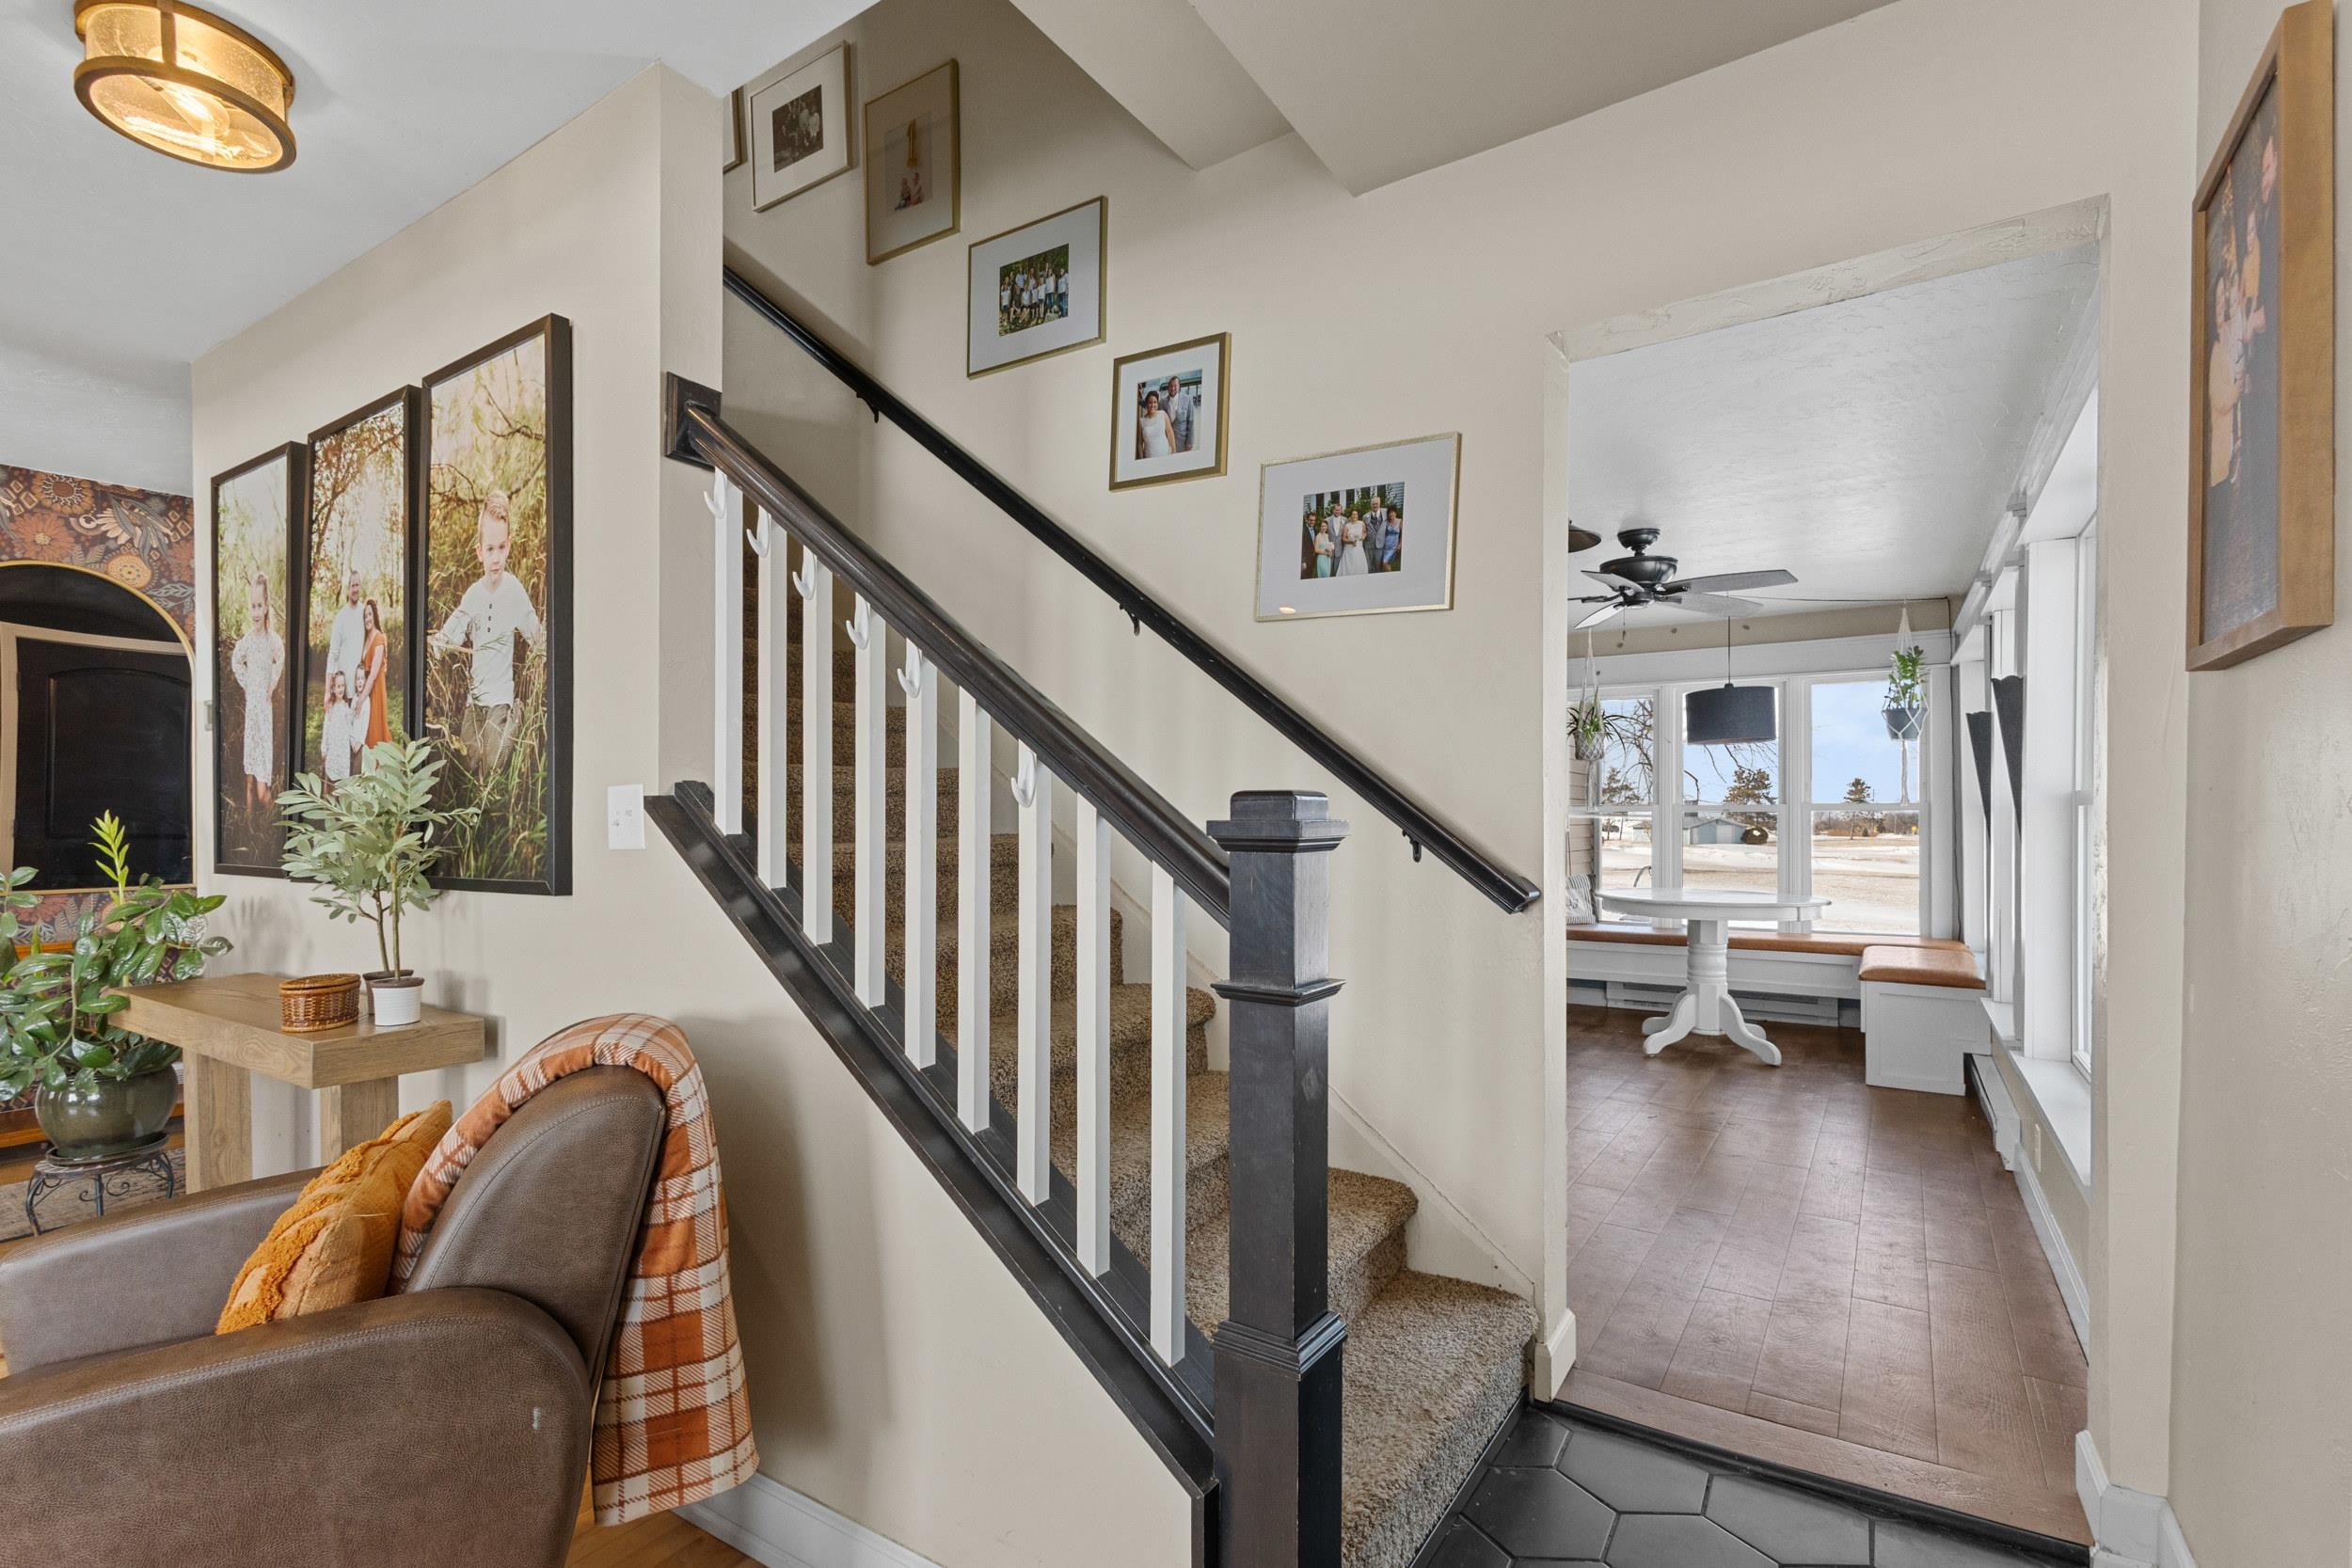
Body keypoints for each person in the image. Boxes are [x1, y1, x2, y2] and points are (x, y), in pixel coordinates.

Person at [432, 489, 545, 777]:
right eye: (490, 549)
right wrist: (436, 644)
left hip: (500, 697)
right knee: (469, 762)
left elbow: (536, 636)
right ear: (479, 552)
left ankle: (515, 716)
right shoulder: (474, 595)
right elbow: (452, 632)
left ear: (509, 546)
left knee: (493, 761)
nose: (496, 558)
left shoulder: (514, 591)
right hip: (476, 698)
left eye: (501, 548)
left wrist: (544, 645)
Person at [230, 572, 283, 829]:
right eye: (252, 606)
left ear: (266, 606)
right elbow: (236, 661)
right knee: (249, 777)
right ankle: (249, 827)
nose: (255, 612)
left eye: (259, 605)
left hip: (264, 715)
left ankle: (278, 824)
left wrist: (271, 684)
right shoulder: (247, 642)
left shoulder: (272, 640)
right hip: (252, 713)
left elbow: (280, 658)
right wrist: (248, 684)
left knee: (263, 789)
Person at [325, 566, 366, 720]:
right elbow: (333, 655)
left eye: (357, 585)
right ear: (348, 588)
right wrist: (327, 691)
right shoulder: (340, 618)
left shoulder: (364, 613)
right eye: (352, 585)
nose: (355, 589)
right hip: (343, 691)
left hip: (359, 688)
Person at [357, 596, 390, 764]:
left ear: (375, 616)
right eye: (365, 616)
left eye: (370, 615)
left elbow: (374, 673)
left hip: (375, 689)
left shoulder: (379, 639)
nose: (367, 619)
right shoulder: (365, 638)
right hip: (365, 689)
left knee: (375, 730)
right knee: (364, 730)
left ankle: (378, 768)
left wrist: (361, 699)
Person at [320, 670, 355, 790]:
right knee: (330, 777)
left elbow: (349, 728)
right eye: (338, 686)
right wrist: (324, 748)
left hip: (343, 750)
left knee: (342, 781)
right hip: (333, 749)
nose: (341, 689)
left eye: (343, 686)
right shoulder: (331, 707)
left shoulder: (346, 707)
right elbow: (326, 728)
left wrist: (353, 742)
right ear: (333, 689)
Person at [1137, 388, 1176, 460]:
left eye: (1155, 402)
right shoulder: (1141, 421)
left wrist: (1174, 451)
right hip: (1149, 458)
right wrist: (1141, 459)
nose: (1153, 405)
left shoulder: (1163, 414)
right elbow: (1140, 443)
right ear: (1146, 403)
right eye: (1150, 402)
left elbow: (1170, 433)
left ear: (1157, 403)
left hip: (1165, 455)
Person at [1335, 507, 1368, 577]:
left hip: (1359, 548)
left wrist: (1363, 537)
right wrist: (1351, 541)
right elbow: (1343, 538)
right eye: (1353, 514)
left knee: (1358, 564)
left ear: (1358, 515)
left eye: (1356, 514)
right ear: (1350, 516)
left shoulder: (1361, 523)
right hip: (1349, 549)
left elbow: (1365, 532)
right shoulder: (1347, 526)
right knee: (1349, 565)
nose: (1354, 516)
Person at [1167, 376, 1196, 453]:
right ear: (1168, 388)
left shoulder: (1187, 399)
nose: (1173, 388)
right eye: (1171, 386)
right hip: (1168, 443)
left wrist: (1190, 442)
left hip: (1183, 443)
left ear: (1179, 386)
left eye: (1175, 386)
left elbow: (1191, 422)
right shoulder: (1162, 402)